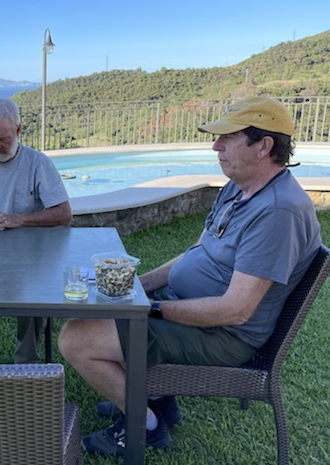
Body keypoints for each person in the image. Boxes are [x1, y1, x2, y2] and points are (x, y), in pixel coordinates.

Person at [58, 96, 321, 456]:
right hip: (191, 310)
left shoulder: (279, 211)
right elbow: (198, 252)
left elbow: (236, 310)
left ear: (264, 146)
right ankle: (157, 398)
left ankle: (146, 426)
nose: (216, 146)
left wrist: (150, 309)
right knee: (101, 310)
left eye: (228, 137)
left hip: (224, 335)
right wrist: (139, 284)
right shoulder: (239, 188)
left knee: (77, 339)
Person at [0, 98, 72, 364]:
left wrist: (18, 220)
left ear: (18, 131)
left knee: (35, 293)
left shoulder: (38, 163)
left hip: (30, 256)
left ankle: (25, 361)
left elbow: (64, 214)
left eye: (3, 139)